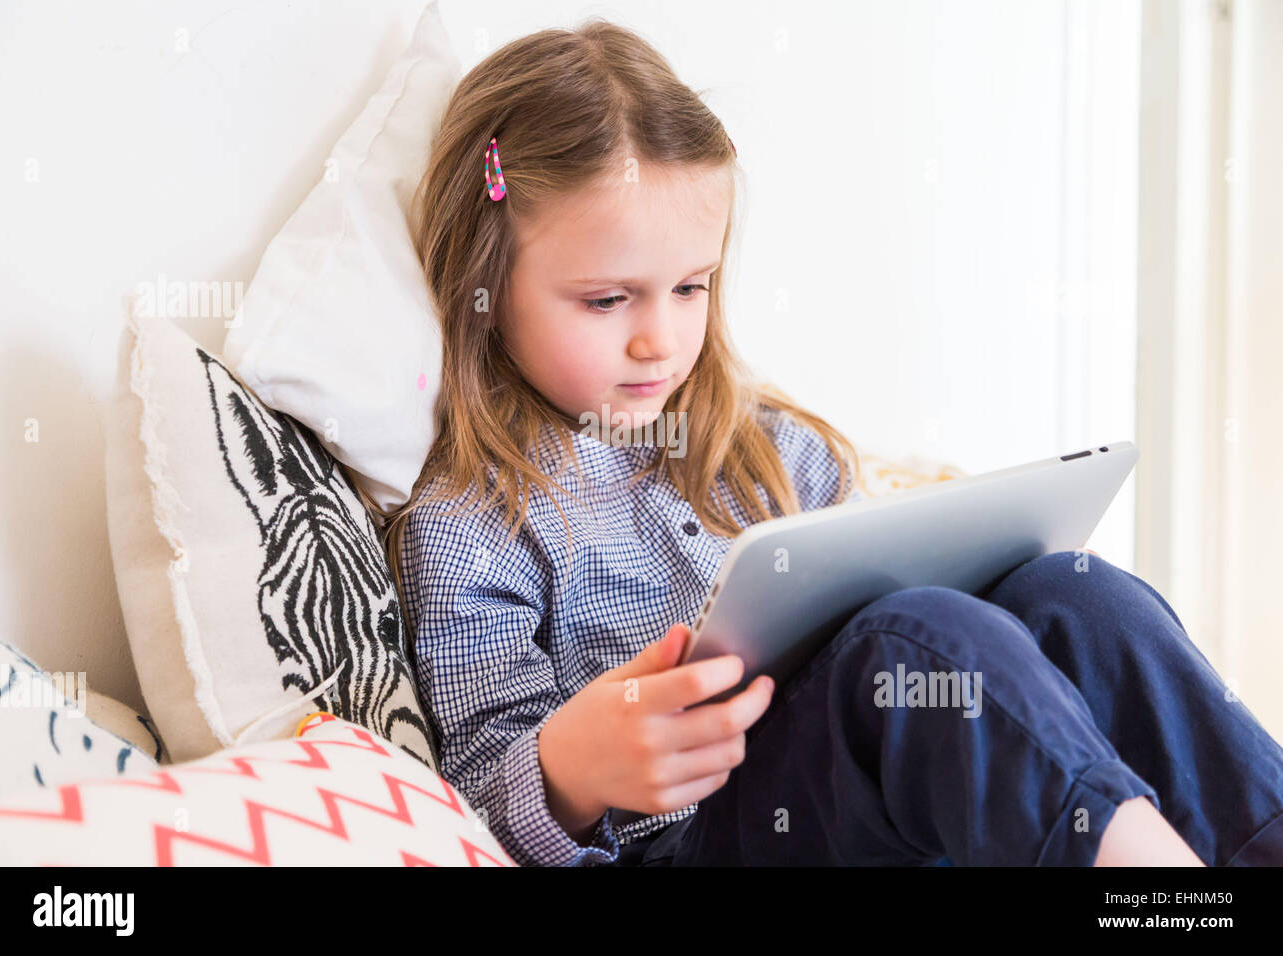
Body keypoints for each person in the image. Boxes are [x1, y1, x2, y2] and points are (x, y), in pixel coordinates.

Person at [372, 19, 1283, 867]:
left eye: (691, 287)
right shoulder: (470, 521)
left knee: (1077, 596)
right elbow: (468, 807)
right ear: (487, 284)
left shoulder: (774, 452)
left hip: (859, 804)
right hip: (689, 848)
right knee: (916, 645)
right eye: (608, 300)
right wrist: (572, 770)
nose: (659, 338)